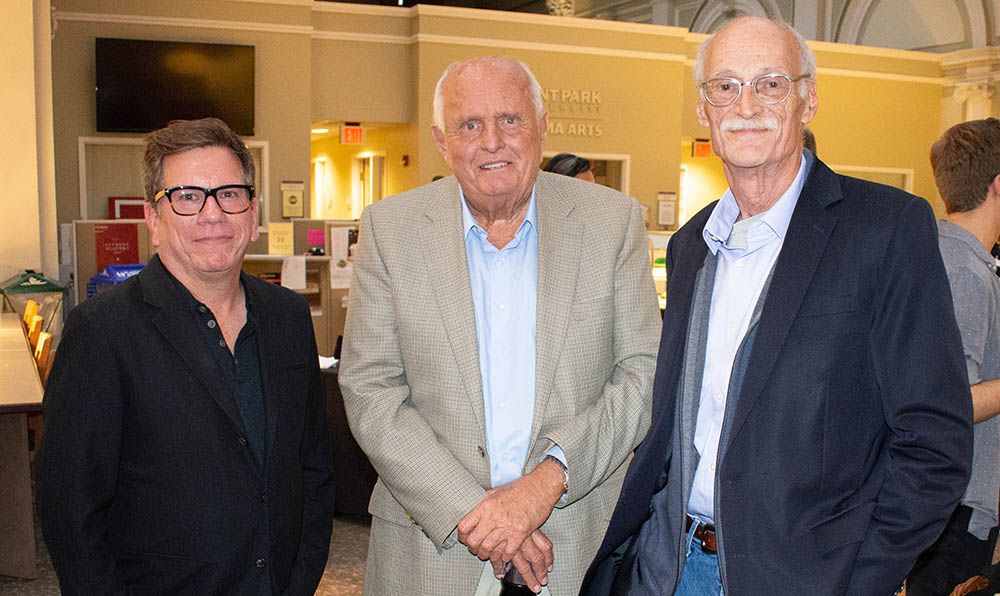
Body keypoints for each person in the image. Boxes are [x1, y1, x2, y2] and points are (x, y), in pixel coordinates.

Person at [579, 16, 973, 596]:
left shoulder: (884, 228)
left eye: (770, 83)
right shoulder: (693, 246)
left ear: (808, 99)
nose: (747, 104)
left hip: (806, 577)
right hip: (669, 567)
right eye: (726, 86)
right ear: (703, 109)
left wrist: (858, 581)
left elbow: (934, 439)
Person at [338, 56, 660, 596]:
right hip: (430, 551)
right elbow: (371, 390)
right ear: (442, 140)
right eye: (470, 125)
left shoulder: (613, 222)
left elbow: (643, 373)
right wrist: (478, 514)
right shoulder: (389, 230)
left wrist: (542, 487)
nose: (492, 141)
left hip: (577, 549)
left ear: (540, 128)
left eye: (510, 120)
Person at [36, 118, 335, 596]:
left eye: (229, 194)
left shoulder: (288, 317)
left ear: (252, 215)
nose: (212, 214)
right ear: (154, 221)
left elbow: (312, 467)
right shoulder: (103, 331)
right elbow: (70, 508)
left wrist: (300, 577)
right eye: (188, 196)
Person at [905, 118, 1000, 596]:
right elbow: (949, 405)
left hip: (939, 502)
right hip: (954, 507)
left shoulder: (940, 251)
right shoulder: (965, 269)